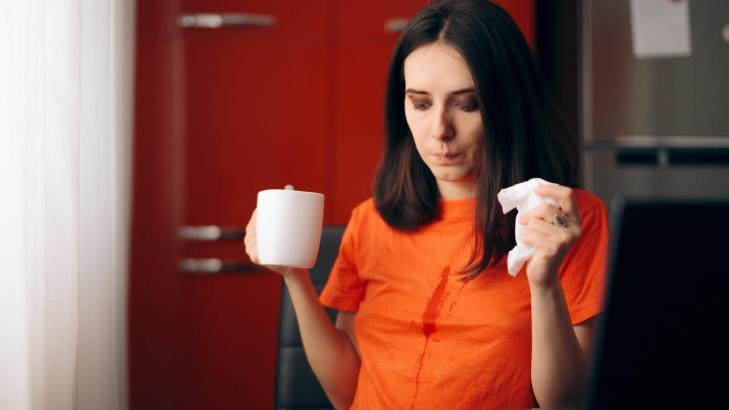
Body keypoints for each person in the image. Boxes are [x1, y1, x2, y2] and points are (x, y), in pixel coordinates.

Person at [244, 1, 609, 408]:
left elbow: (566, 401)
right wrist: (295, 276)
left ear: (508, 105)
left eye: (467, 104)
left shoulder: (565, 221)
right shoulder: (370, 221)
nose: (439, 131)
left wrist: (543, 284)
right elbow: (347, 392)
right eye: (421, 104)